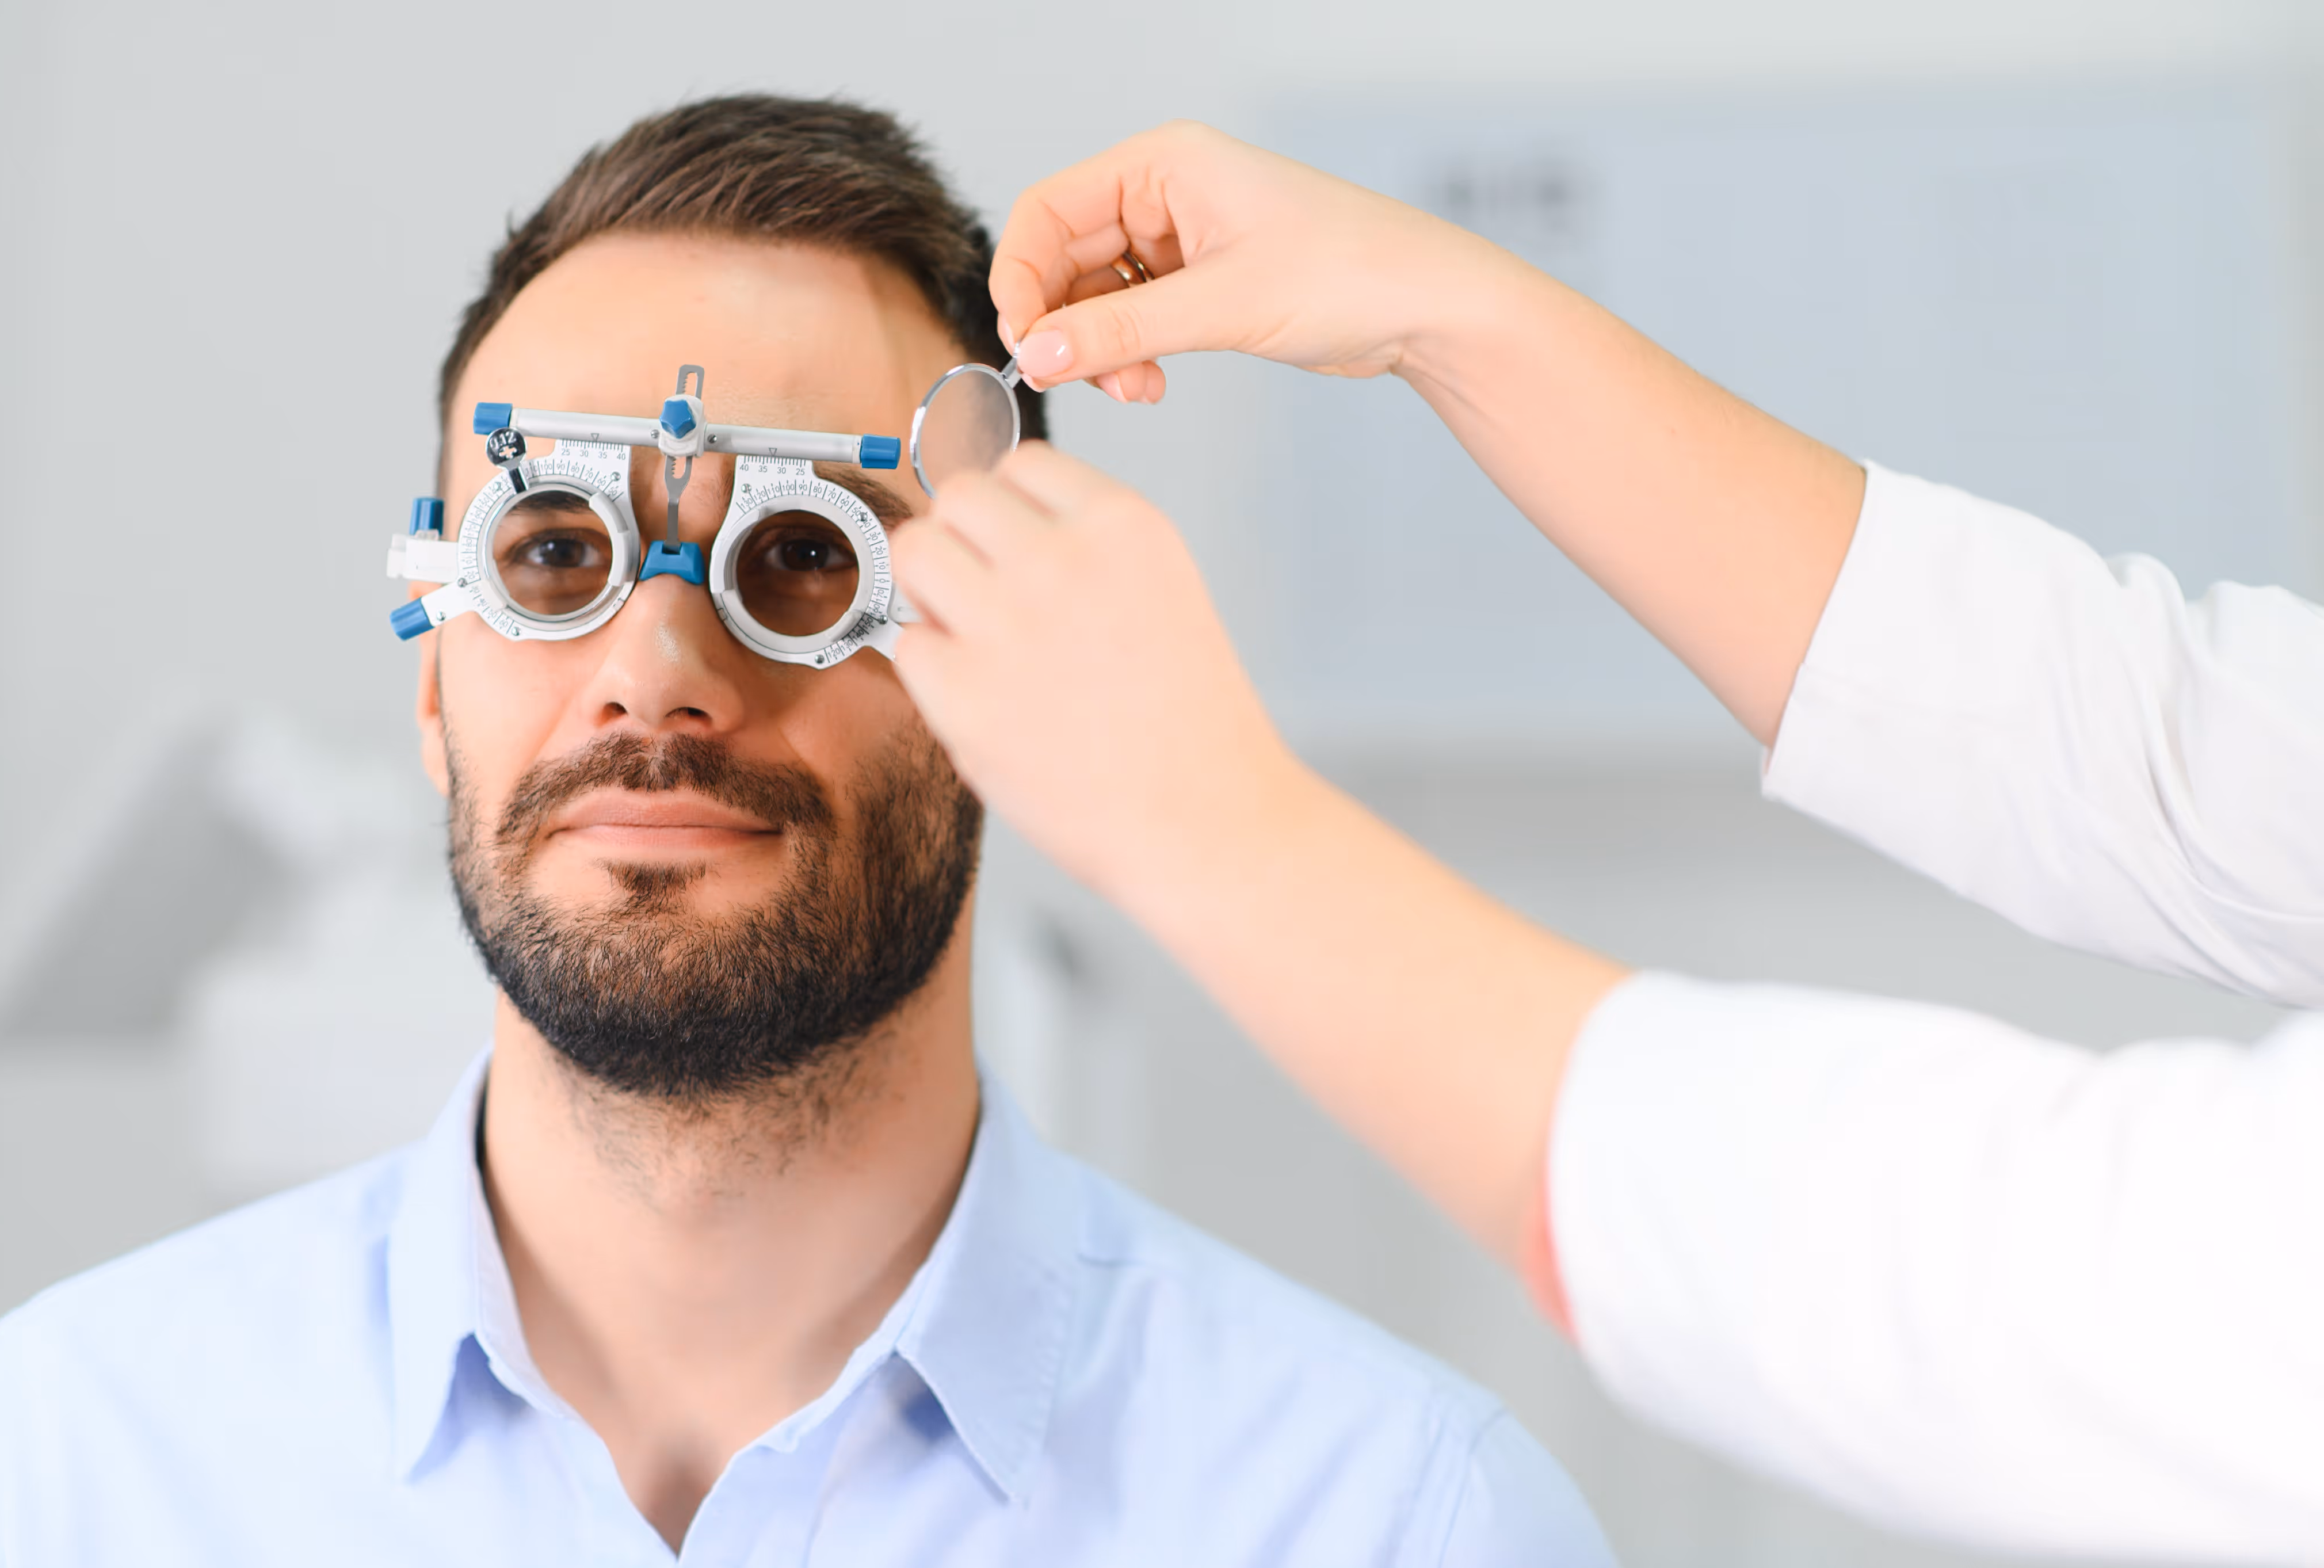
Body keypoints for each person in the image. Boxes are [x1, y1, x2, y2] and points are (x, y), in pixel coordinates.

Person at [0, 100, 1617, 1567]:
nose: (657, 675)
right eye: (554, 555)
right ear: (433, 676)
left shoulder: (1387, 1519)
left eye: (806, 561)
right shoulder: (68, 1468)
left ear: (1008, 656)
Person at [883, 122, 2324, 1562]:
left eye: (810, 551)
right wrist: (1454, 316)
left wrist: (1209, 824)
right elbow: (2171, 748)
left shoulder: (1386, 1495)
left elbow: (2070, 1296)